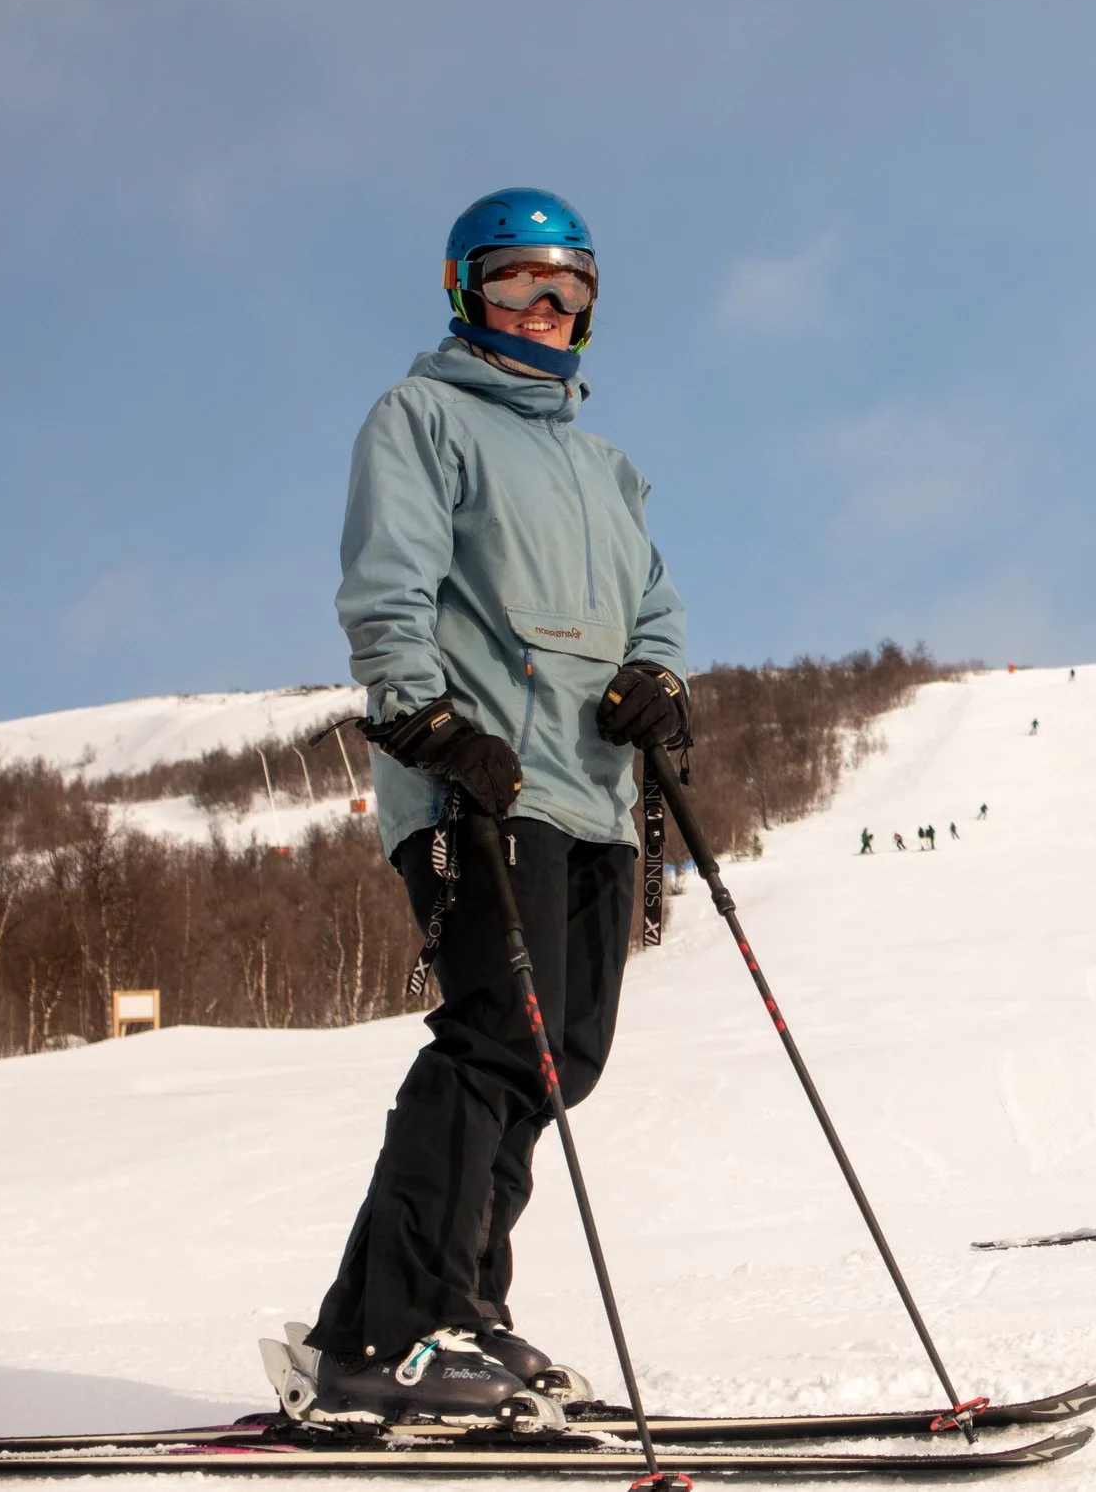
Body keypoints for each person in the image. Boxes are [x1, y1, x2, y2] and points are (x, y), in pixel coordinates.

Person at [302, 189, 691, 1425]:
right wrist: (421, 715)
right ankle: (411, 1329)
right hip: (483, 779)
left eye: (570, 291)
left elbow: (655, 609)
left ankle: (405, 1320)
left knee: (558, 1057)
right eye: (522, 283)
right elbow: (387, 583)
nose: (549, 308)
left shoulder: (604, 464)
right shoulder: (424, 417)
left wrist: (654, 682)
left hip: (591, 795)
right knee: (492, 1036)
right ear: (466, 289)